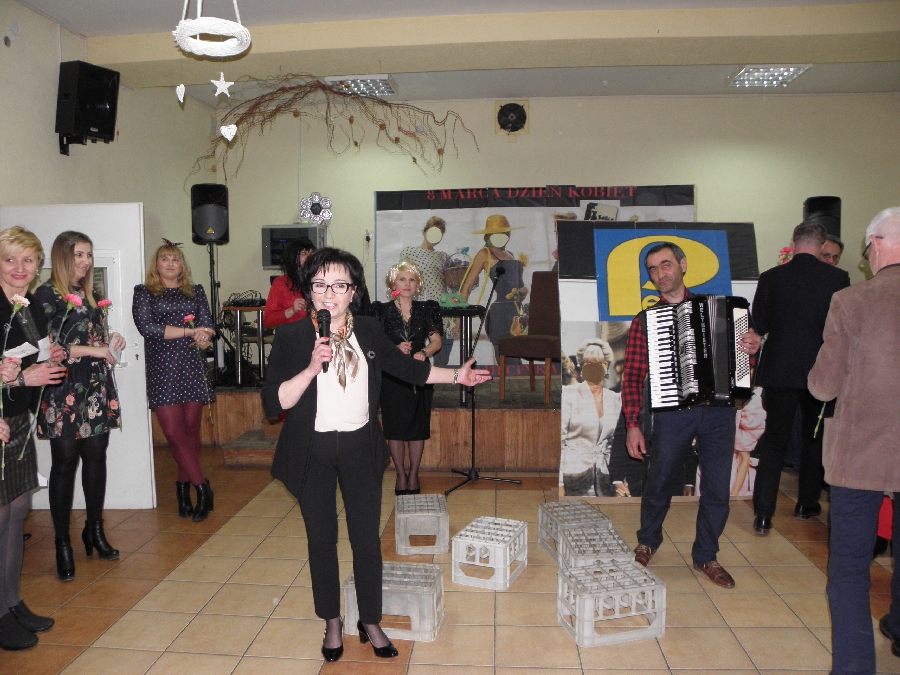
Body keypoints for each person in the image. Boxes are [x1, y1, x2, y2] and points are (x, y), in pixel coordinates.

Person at [261, 248, 490, 663]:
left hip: (360, 448)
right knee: (321, 540)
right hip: (312, 451)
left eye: (340, 285)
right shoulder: (292, 336)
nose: (329, 294)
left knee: (366, 540)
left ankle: (370, 620)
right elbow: (273, 402)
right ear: (309, 290)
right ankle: (332, 621)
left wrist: (458, 375)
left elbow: (409, 370)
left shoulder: (368, 330)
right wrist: (310, 368)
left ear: (354, 291)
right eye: (320, 284)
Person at [622, 242, 760, 588]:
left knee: (716, 487)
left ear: (682, 265)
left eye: (666, 264)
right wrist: (633, 425)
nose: (660, 273)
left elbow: (743, 363)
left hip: (718, 412)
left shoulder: (722, 311)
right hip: (672, 414)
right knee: (660, 480)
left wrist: (753, 349)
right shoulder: (646, 321)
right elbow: (633, 376)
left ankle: (707, 556)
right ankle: (647, 541)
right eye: (653, 269)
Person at [807, 207, 900, 673]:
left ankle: (854, 668)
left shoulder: (851, 300)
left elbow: (823, 387)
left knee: (848, 569)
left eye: (867, 250)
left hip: (861, 455)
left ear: (878, 244)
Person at [750, 221, 850, 535]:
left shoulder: (771, 277)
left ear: (793, 242)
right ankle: (806, 503)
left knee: (774, 440)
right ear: (822, 246)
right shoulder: (837, 278)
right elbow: (841, 328)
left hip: (779, 370)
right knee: (813, 438)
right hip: (820, 370)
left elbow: (759, 324)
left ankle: (763, 514)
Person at [36, 231, 125, 581]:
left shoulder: (93, 297)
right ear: (62, 257)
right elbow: (50, 347)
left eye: (88, 255)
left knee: (96, 457)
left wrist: (111, 340)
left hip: (94, 385)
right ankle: (62, 542)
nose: (85, 261)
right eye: (78, 255)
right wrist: (94, 350)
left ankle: (94, 530)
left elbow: (95, 338)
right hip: (63, 388)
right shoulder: (45, 296)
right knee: (64, 463)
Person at [0, 226, 66, 650]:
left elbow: (26, 355)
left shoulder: (25, 306)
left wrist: (49, 354)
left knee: (18, 509)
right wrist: (26, 376)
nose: (19, 268)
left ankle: (11, 601)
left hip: (17, 417)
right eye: (10, 259)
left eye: (28, 260)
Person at [133, 241, 217, 522]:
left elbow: (207, 324)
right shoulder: (144, 292)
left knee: (191, 432)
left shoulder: (196, 291)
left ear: (182, 266)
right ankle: (202, 488)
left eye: (175, 259)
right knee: (173, 433)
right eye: (165, 259)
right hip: (163, 369)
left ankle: (183, 489)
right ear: (156, 265)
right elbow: (147, 328)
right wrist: (189, 331)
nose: (170, 263)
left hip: (191, 365)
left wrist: (205, 334)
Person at [370, 262, 442, 495]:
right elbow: (373, 344)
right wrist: (393, 349)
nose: (407, 284)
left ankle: (414, 474)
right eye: (402, 279)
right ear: (393, 284)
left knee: (418, 426)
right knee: (395, 427)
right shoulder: (380, 310)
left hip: (420, 374)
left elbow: (436, 342)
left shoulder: (427, 309)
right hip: (392, 375)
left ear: (418, 285)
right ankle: (401, 474)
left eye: (412, 280)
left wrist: (424, 352)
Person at [459, 215, 527, 362]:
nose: (500, 237)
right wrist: (459, 318)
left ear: (508, 234)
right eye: (496, 234)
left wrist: (521, 293)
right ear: (488, 236)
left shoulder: (511, 254)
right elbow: (467, 286)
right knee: (505, 358)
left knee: (517, 358)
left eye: (503, 233)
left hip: (516, 312)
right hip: (500, 314)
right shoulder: (484, 253)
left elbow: (522, 287)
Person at [560, 339, 621, 497]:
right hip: (572, 477)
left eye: (598, 363)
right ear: (581, 367)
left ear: (606, 366)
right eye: (588, 364)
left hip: (604, 480)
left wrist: (619, 480)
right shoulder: (568, 395)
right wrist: (559, 483)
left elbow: (614, 445)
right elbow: (559, 442)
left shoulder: (615, 399)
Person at [400, 217, 454, 366]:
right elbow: (401, 277)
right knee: (413, 351)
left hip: (440, 306)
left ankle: (440, 377)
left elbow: (451, 285)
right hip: (416, 306)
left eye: (439, 234)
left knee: (442, 355)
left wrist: (456, 317)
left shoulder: (444, 257)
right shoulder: (409, 252)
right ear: (423, 232)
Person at [263, 237, 316, 330]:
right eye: (304, 253)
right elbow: (268, 321)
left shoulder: (320, 281)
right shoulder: (281, 283)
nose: (309, 257)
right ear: (294, 258)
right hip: (290, 333)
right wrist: (292, 310)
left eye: (311, 254)